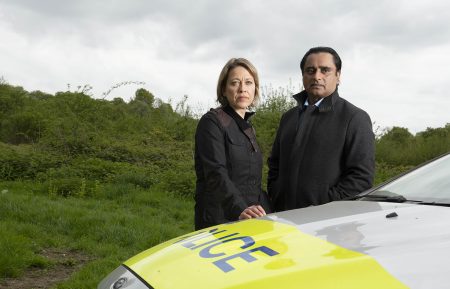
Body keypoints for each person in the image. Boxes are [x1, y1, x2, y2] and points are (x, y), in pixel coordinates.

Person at [267, 47, 375, 212]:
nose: (317, 76)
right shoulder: (288, 117)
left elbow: (361, 178)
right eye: (310, 70)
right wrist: (277, 193)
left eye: (325, 70)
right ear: (303, 75)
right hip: (283, 218)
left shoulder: (354, 118)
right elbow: (274, 165)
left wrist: (324, 205)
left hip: (326, 223)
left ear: (338, 76)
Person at [194, 58, 271, 230]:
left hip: (249, 219)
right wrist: (240, 208)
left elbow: (253, 182)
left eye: (249, 83)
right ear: (223, 89)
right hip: (219, 219)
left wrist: (267, 211)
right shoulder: (212, 122)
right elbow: (215, 173)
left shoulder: (249, 128)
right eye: (235, 83)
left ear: (255, 89)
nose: (242, 88)